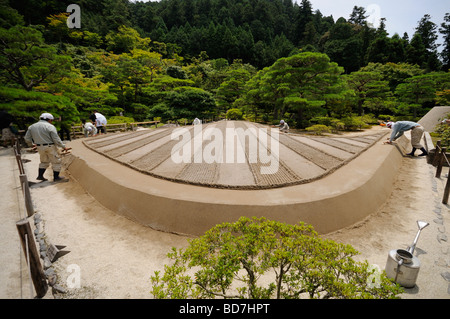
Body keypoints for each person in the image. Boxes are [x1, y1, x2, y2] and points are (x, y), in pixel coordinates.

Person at [24, 113, 70, 182]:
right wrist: (63, 146)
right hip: (50, 146)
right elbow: (56, 139)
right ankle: (56, 177)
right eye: (51, 120)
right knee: (56, 161)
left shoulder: (32, 126)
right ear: (49, 120)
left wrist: (31, 144)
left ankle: (40, 176)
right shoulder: (50, 126)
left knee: (44, 161)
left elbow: (27, 138)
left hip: (39, 146)